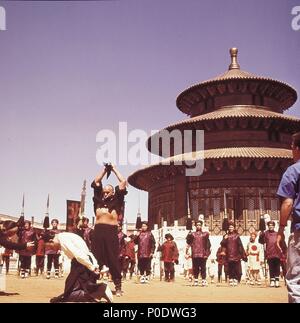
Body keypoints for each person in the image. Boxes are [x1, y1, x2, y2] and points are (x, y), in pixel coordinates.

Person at [43, 231, 113, 303]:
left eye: (51, 246)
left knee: (70, 292)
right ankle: (99, 292)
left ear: (51, 241)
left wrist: (92, 267)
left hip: (81, 263)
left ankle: (101, 289)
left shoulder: (63, 240)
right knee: (81, 288)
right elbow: (88, 253)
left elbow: (78, 254)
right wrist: (94, 265)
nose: (53, 248)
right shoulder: (65, 236)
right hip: (83, 262)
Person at [91, 164, 127, 297]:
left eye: (108, 191)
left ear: (112, 193)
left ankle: (118, 286)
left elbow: (123, 182)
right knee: (95, 259)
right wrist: (105, 170)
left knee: (113, 259)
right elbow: (96, 181)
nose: (105, 193)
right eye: (104, 191)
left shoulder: (117, 201)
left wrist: (114, 169)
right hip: (98, 232)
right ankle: (92, 283)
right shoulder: (97, 200)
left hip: (111, 232)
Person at [276, 132, 300, 302]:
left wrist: (281, 229)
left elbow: (287, 203)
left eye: (291, 146)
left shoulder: (293, 171)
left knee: (296, 279)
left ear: (297, 148)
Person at [221, 221, 247, 287]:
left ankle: (235, 279)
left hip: (236, 254)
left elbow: (240, 245)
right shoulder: (226, 236)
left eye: (232, 227)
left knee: (236, 267)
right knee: (230, 267)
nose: (230, 228)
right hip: (229, 254)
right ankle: (231, 278)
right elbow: (222, 244)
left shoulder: (237, 236)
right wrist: (224, 239)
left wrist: (243, 255)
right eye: (229, 227)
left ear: (234, 228)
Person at [186, 220, 211, 287]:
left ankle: (203, 280)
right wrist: (189, 235)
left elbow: (208, 245)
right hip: (195, 253)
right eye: (197, 225)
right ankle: (196, 280)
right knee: (195, 268)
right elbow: (188, 242)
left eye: (199, 225)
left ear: (201, 226)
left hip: (203, 254)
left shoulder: (205, 234)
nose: (198, 226)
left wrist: (207, 254)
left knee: (203, 268)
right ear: (195, 226)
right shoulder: (193, 234)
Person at [259, 221, 282, 288]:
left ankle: (277, 280)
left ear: (274, 226)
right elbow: (260, 241)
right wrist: (261, 235)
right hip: (269, 253)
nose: (270, 226)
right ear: (268, 226)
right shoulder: (266, 233)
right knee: (271, 267)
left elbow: (281, 242)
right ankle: (272, 280)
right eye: (269, 225)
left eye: (272, 225)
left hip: (277, 253)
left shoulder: (277, 234)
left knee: (277, 267)